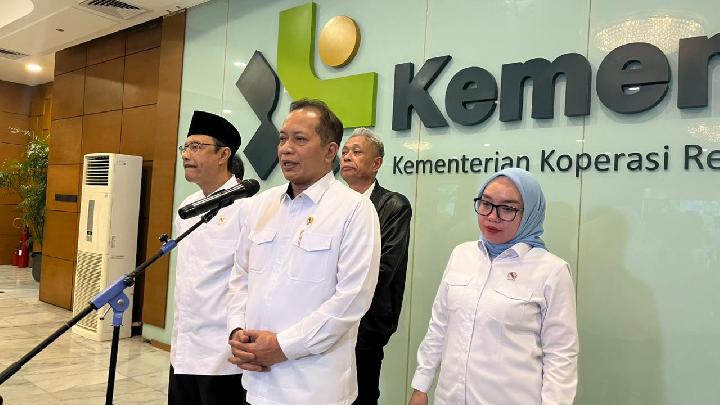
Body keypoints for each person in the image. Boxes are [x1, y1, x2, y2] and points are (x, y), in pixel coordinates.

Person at [226, 99, 381, 405]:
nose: (286, 149)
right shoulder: (260, 205)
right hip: (257, 382)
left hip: (315, 388)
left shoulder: (354, 209)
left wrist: (283, 347)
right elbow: (240, 276)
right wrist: (237, 330)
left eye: (299, 139)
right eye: (283, 138)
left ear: (330, 151)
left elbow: (352, 299)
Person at [408, 168, 578, 405]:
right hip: (449, 398)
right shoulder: (462, 254)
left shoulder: (551, 270)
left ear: (530, 213)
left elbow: (561, 354)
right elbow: (440, 326)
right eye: (486, 204)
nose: (492, 216)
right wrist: (421, 385)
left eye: (507, 208)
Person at [169, 110, 247, 405]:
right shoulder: (188, 205)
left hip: (223, 354)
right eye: (185, 147)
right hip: (184, 347)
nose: (186, 154)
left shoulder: (246, 207)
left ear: (223, 155)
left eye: (196, 147)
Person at [339, 128, 412, 405]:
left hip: (367, 323)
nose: (347, 157)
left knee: (362, 395)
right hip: (328, 319)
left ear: (376, 163)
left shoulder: (394, 206)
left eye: (357, 152)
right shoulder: (333, 204)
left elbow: (383, 269)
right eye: (345, 152)